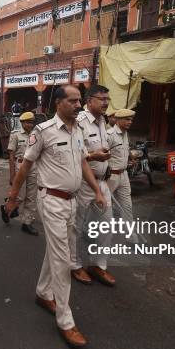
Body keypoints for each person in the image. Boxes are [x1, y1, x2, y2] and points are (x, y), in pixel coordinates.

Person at [5, 84, 106, 349]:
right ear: (58, 103)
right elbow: (26, 165)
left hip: (72, 202)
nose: (78, 105)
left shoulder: (78, 131)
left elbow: (83, 162)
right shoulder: (43, 131)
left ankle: (42, 292)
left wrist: (96, 189)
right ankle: (65, 320)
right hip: (51, 200)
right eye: (73, 101)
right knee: (62, 260)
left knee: (56, 251)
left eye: (79, 101)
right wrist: (13, 196)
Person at [71, 84, 116, 287]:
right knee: (77, 227)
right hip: (82, 183)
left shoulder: (102, 121)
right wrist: (93, 156)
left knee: (106, 225)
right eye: (102, 99)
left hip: (101, 182)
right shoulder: (80, 122)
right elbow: (76, 154)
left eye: (107, 99)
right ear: (89, 101)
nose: (106, 102)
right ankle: (75, 265)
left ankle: (98, 265)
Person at [7, 111, 39, 236]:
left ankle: (27, 223)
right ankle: (6, 208)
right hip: (20, 165)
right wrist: (11, 174)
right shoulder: (15, 135)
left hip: (33, 166)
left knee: (31, 196)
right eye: (27, 122)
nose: (30, 125)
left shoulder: (36, 135)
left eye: (32, 122)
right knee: (18, 196)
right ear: (22, 122)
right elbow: (11, 156)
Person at [107, 109, 135, 231]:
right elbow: (102, 156)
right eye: (127, 119)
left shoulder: (125, 134)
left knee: (127, 206)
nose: (130, 122)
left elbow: (123, 151)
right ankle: (89, 230)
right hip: (111, 176)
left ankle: (132, 238)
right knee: (103, 206)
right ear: (118, 120)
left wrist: (129, 159)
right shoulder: (109, 135)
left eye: (131, 120)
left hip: (124, 175)